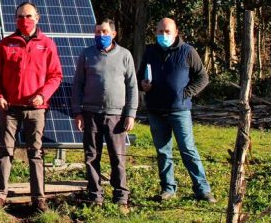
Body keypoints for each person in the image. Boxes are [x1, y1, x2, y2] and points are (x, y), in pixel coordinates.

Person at [0, 2, 63, 213]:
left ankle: (38, 198)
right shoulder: (6, 44)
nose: (24, 20)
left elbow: (55, 76)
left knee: (35, 153)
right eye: (20, 16)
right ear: (15, 19)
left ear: (37, 18)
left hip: (36, 109)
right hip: (9, 108)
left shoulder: (47, 44)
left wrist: (43, 95)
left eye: (28, 16)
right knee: (5, 152)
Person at [138, 17, 216, 203]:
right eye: (160, 32)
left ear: (176, 33)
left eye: (167, 32)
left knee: (188, 149)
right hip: (156, 109)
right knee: (163, 151)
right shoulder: (150, 52)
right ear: (155, 33)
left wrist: (186, 93)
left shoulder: (187, 51)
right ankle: (168, 188)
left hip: (179, 110)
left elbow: (202, 77)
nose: (163, 35)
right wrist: (143, 85)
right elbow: (141, 76)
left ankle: (203, 190)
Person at [72, 19, 137, 213]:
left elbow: (133, 86)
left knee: (117, 157)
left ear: (113, 34)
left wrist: (130, 114)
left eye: (105, 31)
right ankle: (95, 196)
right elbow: (77, 85)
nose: (101, 35)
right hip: (90, 113)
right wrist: (78, 112)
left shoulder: (125, 55)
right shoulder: (87, 54)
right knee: (92, 156)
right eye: (98, 32)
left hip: (116, 115)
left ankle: (121, 196)